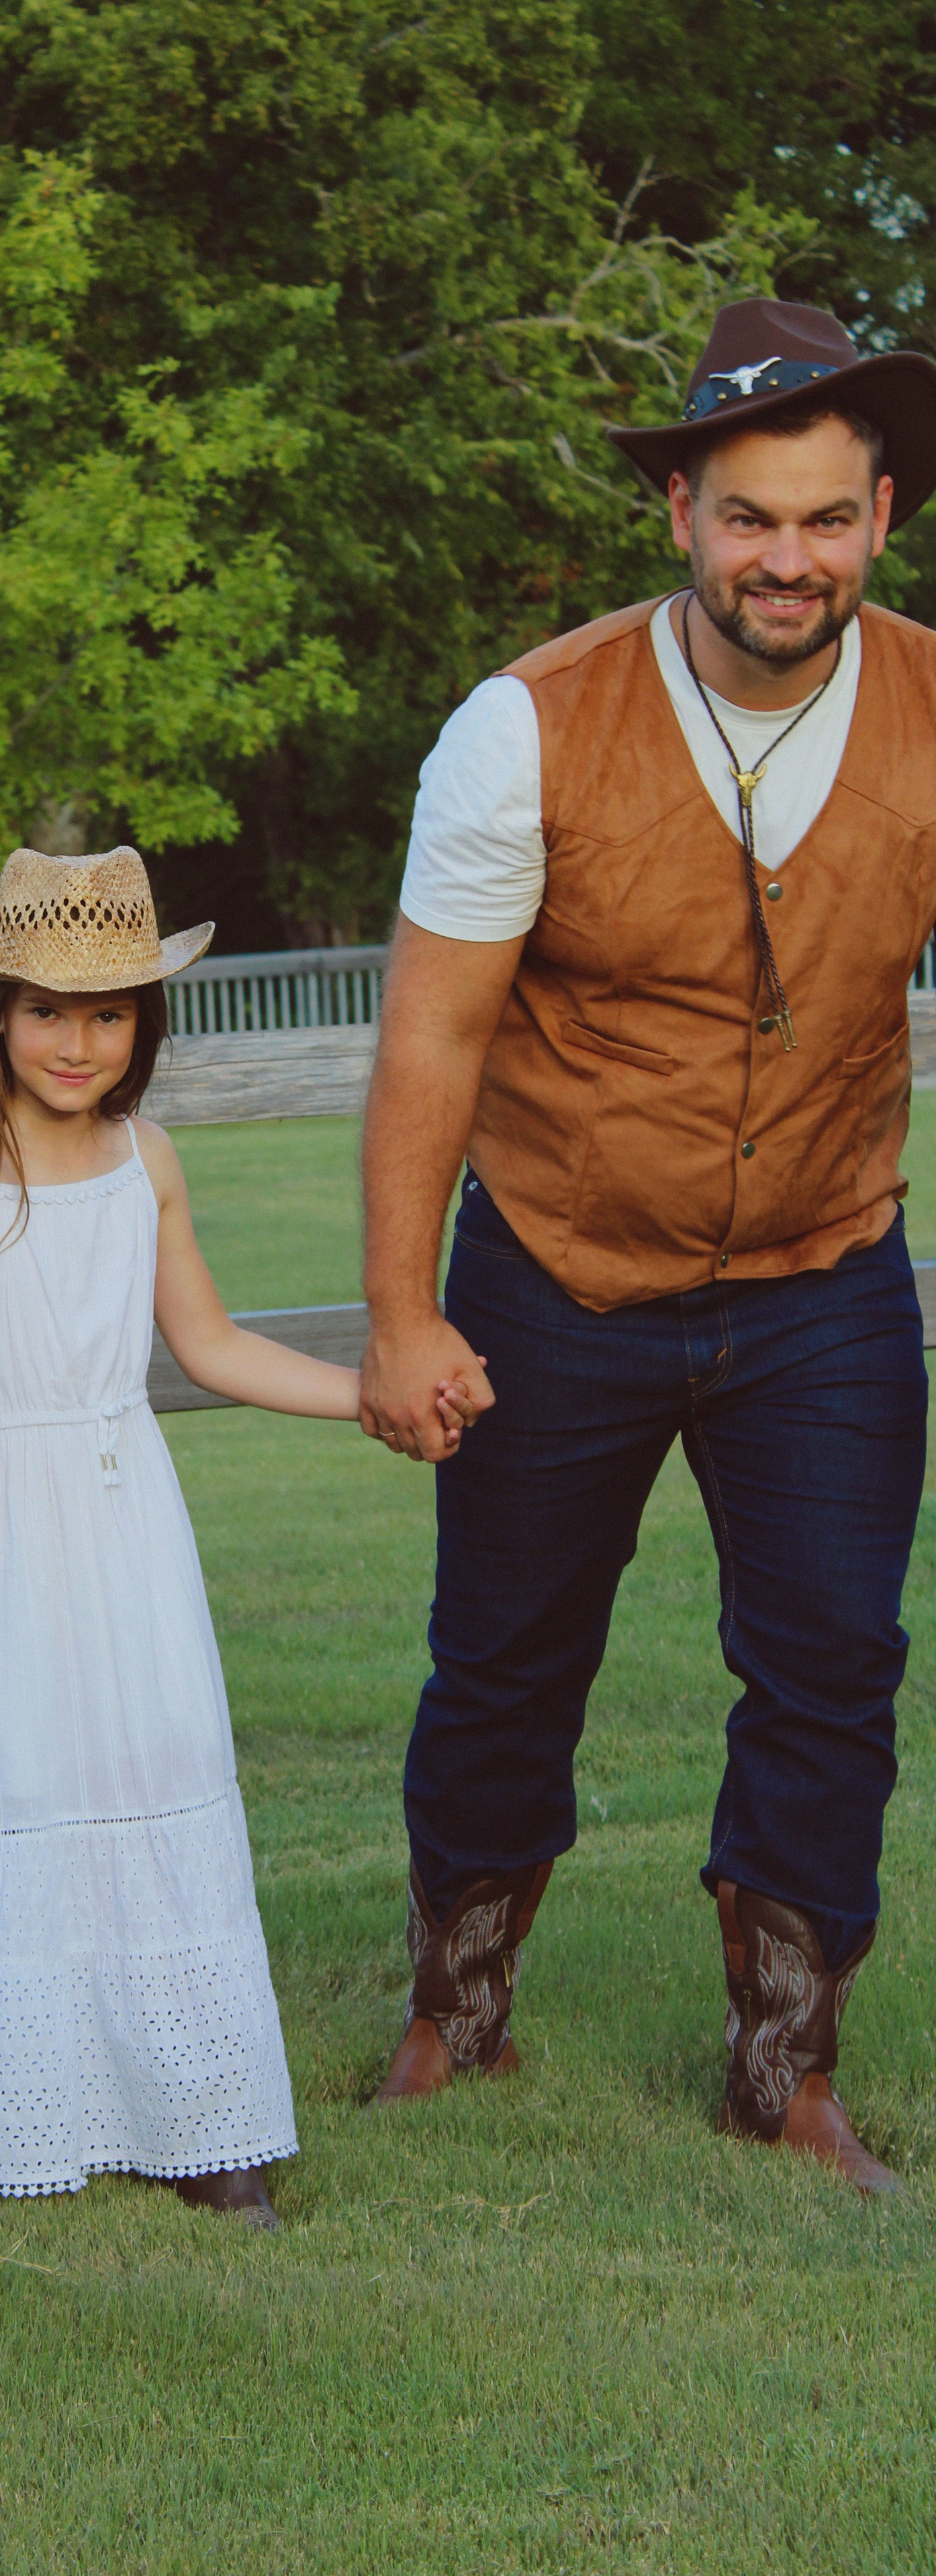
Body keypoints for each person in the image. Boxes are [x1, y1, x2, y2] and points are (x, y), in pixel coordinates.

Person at [359, 297, 936, 2195]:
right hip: (559, 1261)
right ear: (680, 509)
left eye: (829, 521)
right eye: (752, 518)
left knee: (837, 1661)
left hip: (825, 1275)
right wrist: (397, 1315)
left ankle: (785, 2064)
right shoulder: (522, 729)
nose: (791, 560)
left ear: (881, 521)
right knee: (508, 1658)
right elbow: (434, 1035)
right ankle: (460, 2002)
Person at [0, 847, 359, 2223]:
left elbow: (209, 1344)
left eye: (106, 1015)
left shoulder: (143, 1160)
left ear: (143, 1026)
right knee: (14, 1772)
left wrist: (369, 1398)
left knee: (148, 1759)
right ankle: (11, 2098)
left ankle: (202, 2115)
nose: (75, 1042)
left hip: (120, 1521)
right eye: (45, 1010)